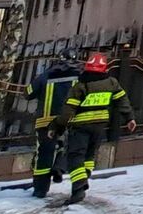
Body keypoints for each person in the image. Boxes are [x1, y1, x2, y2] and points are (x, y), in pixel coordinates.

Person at [57, 51, 137, 204]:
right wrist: (130, 118)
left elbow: (68, 110)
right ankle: (85, 176)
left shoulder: (81, 85)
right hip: (100, 126)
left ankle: (79, 188)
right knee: (89, 156)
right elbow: (122, 101)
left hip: (80, 127)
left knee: (75, 157)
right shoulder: (112, 83)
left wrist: (59, 126)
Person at [27, 53, 83, 198]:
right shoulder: (80, 76)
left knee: (44, 154)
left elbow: (28, 93)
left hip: (45, 122)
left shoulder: (46, 75)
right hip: (69, 120)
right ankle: (59, 167)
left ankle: (40, 189)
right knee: (69, 147)